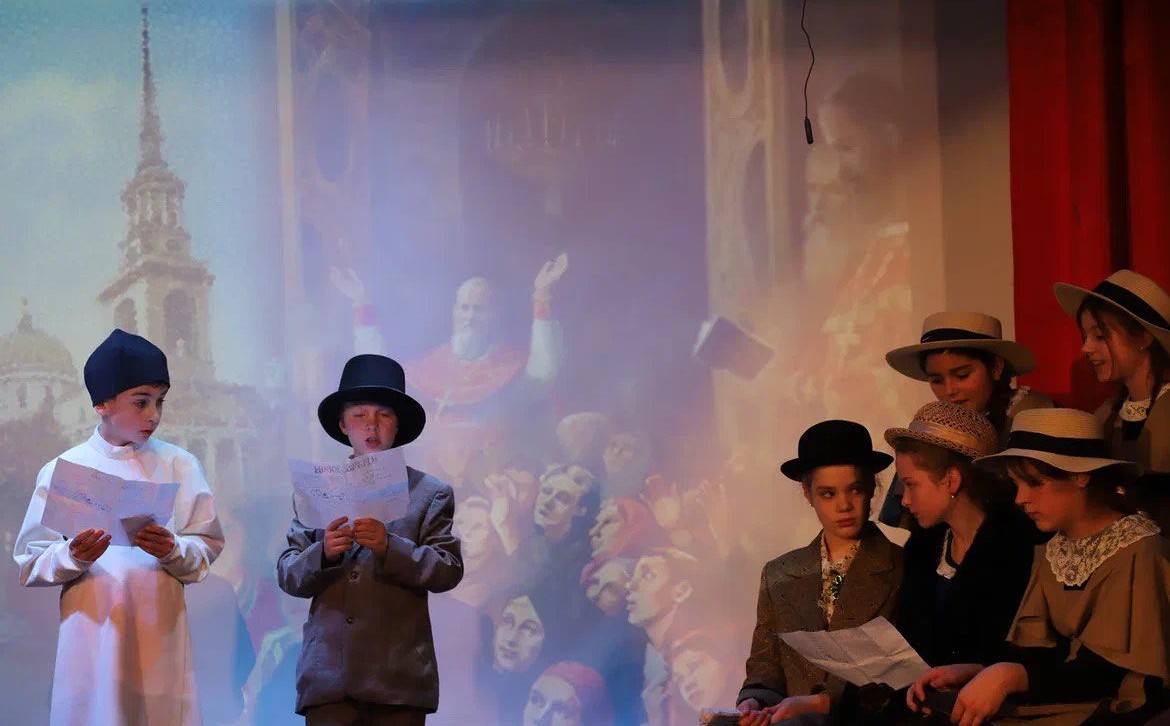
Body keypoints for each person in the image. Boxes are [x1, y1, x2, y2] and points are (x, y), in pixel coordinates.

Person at [13, 328, 225, 725]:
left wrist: (172, 549)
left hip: (160, 632)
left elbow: (206, 544)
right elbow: (30, 561)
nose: (154, 414)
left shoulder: (179, 464)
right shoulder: (65, 469)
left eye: (160, 401)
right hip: (92, 636)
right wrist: (72, 555)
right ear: (102, 404)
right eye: (141, 402)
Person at [907, 408, 1170, 724]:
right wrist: (978, 672)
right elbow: (1039, 654)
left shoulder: (1138, 549)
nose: (1020, 498)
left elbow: (1109, 674)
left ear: (1080, 476)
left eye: (1034, 483)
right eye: (1016, 484)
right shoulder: (1053, 551)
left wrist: (1009, 677)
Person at [276, 354, 463, 725]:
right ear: (343, 424)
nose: (371, 425)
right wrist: (323, 553)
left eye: (384, 414)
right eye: (359, 414)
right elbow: (288, 573)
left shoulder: (429, 492)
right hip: (329, 680)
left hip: (399, 682)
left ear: (398, 424)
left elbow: (448, 568)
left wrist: (390, 547)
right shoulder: (317, 489)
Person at [738, 420, 903, 726]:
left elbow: (902, 674)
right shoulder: (779, 574)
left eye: (854, 489)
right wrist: (755, 701)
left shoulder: (902, 567)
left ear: (871, 488)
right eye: (828, 494)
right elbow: (766, 662)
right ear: (807, 494)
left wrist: (823, 703)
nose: (844, 505)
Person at [885, 401, 1037, 670]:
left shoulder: (1015, 548)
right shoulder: (923, 548)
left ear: (951, 480)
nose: (905, 500)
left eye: (911, 485)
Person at [879, 311, 1056, 527]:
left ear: (996, 367)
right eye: (937, 380)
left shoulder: (1032, 414)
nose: (950, 390)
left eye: (962, 375)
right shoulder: (938, 426)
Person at [1055, 269, 1170, 527]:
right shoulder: (1106, 414)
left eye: (1100, 336)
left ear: (1142, 337)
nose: (1086, 347)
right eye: (1085, 336)